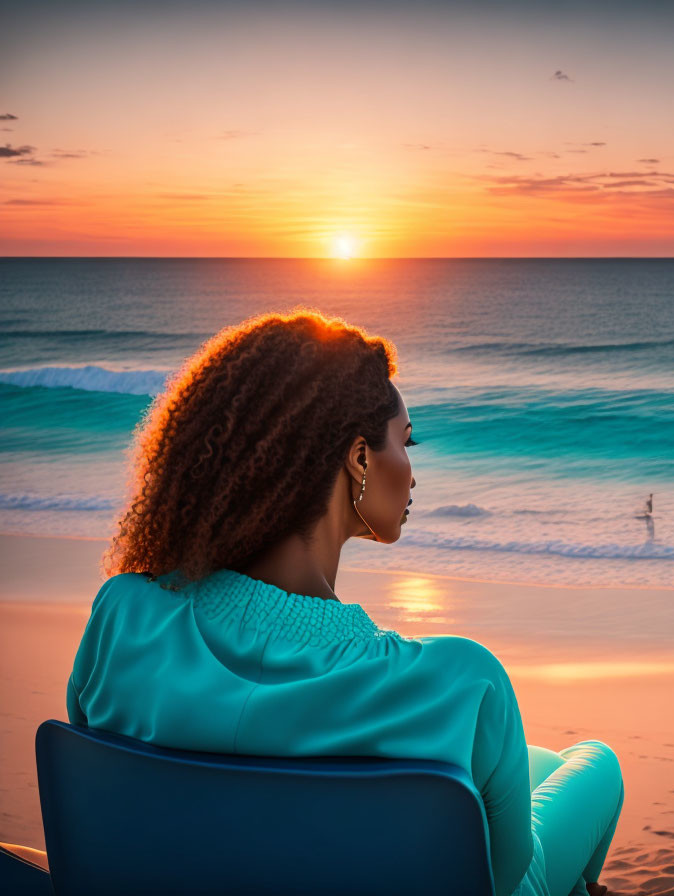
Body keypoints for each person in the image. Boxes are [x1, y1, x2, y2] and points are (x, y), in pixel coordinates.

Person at [66, 309, 624, 896]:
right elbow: (506, 873)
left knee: (538, 763)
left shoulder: (121, 616)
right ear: (359, 458)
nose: (412, 474)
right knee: (594, 764)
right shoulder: (461, 684)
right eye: (405, 443)